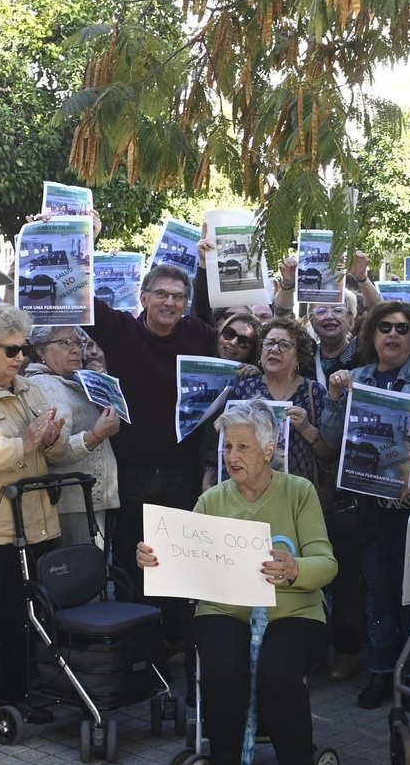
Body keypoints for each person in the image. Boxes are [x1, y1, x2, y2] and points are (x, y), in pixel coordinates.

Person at [139, 399, 337, 765]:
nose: (232, 457)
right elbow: (184, 561)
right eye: (228, 448)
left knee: (278, 671)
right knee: (221, 663)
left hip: (293, 610)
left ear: (268, 451)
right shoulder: (211, 499)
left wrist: (295, 567)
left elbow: (327, 563)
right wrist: (155, 558)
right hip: (223, 608)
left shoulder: (298, 491)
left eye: (243, 448)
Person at [0, 304, 114, 737]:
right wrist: (24, 442)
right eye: (12, 349)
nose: (21, 357)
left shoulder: (28, 388)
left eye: (23, 348)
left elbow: (49, 454)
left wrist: (51, 440)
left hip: (30, 523)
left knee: (23, 615)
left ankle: (19, 697)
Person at [320, 300, 410, 709]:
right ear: (371, 336)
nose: (392, 335)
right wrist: (333, 394)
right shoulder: (354, 379)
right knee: (378, 593)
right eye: (384, 328)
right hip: (369, 506)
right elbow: (331, 440)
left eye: (401, 328)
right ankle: (381, 672)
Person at [86, 261, 219, 630]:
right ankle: (141, 643)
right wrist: (84, 238)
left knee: (181, 559)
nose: (169, 302)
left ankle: (177, 639)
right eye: (160, 293)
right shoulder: (120, 331)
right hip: (131, 472)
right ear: (143, 297)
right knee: (134, 562)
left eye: (178, 296)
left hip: (183, 473)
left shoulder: (200, 335)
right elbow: (83, 298)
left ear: (187, 304)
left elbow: (242, 346)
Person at [26, 325, 121, 550]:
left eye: (79, 343)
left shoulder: (70, 381)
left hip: (87, 500)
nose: (76, 350)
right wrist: (96, 436)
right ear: (41, 350)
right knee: (83, 576)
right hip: (74, 503)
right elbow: (56, 452)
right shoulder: (49, 386)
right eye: (65, 343)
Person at [224, 316, 329, 488]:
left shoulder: (314, 392)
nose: (274, 349)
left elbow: (330, 453)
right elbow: (220, 442)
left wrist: (307, 429)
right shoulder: (241, 391)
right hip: (248, 493)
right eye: (269, 343)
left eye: (285, 345)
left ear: (299, 356)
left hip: (296, 497)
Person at [310, 294, 361, 380]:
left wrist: (363, 280)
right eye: (321, 311)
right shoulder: (306, 355)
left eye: (337, 310)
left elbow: (378, 315)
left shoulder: (361, 353)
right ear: (311, 320)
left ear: (350, 318)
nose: (329, 316)